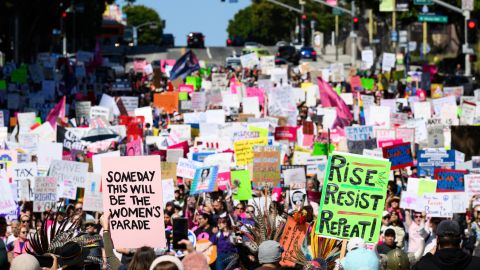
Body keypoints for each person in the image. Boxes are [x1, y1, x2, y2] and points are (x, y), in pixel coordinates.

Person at [413, 220, 480, 270]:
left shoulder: (425, 265)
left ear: (437, 240)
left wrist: (428, 256)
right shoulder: (476, 263)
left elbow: (416, 267)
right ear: (460, 241)